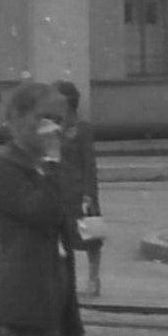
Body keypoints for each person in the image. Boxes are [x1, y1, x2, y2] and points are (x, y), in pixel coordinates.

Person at [0, 80, 81, 336]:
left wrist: (73, 326)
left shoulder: (48, 171)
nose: (53, 129)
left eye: (59, 121)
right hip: (20, 309)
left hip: (49, 312)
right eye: (44, 118)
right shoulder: (6, 169)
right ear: (17, 119)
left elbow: (62, 252)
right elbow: (43, 213)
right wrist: (52, 161)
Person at [55, 79, 105, 302]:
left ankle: (94, 280)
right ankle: (67, 283)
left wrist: (88, 193)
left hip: (81, 194)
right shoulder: (53, 130)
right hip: (60, 192)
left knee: (91, 236)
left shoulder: (83, 129)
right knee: (64, 239)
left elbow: (89, 163)